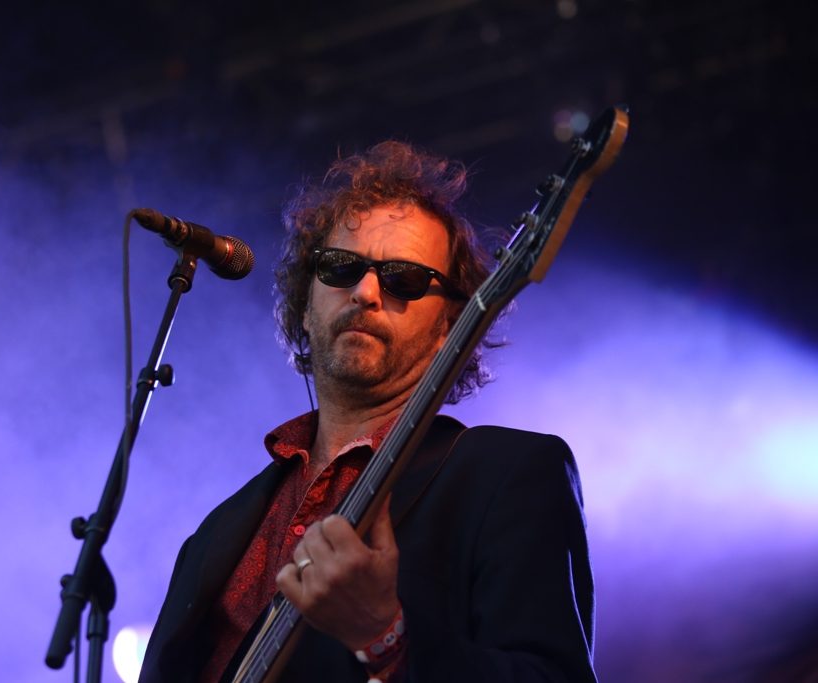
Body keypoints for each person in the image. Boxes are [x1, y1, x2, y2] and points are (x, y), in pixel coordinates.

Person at [138, 141, 597, 682]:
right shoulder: (219, 530)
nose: (365, 292)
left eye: (403, 278)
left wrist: (386, 637)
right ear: (304, 307)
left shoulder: (510, 473)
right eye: (339, 267)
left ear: (449, 325)